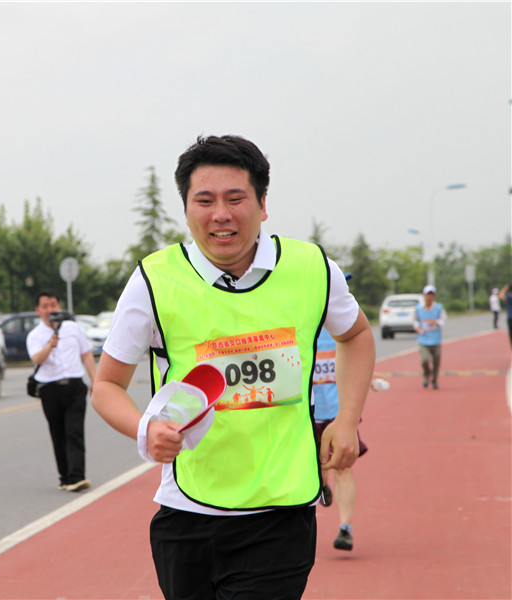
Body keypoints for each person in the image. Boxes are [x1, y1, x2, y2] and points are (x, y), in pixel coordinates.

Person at [92, 135, 375, 600]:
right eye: (204, 201)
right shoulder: (154, 280)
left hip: (281, 512)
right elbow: (106, 385)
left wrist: (347, 420)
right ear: (187, 210)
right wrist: (145, 428)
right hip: (187, 514)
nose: (220, 214)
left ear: (262, 205)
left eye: (235, 198)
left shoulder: (311, 268)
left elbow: (357, 334)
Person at [27, 290, 96, 492]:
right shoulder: (35, 335)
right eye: (45, 306)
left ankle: (77, 476)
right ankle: (65, 477)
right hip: (50, 389)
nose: (50, 310)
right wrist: (51, 344)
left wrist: (96, 381)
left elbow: (86, 354)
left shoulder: (73, 328)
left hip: (74, 386)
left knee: (74, 431)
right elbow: (37, 359)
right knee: (58, 433)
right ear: (38, 310)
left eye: (54, 305)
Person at [313, 321, 372, 553]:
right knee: (318, 467)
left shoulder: (343, 329)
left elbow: (359, 355)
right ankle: (322, 485)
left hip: (339, 416)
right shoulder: (301, 326)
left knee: (343, 469)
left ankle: (345, 528)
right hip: (310, 414)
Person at [414, 285, 446, 390]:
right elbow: (415, 321)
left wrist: (436, 322)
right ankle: (426, 376)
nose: (429, 297)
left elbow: (443, 321)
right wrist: (418, 328)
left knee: (436, 362)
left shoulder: (439, 308)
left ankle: (434, 380)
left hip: (436, 340)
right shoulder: (418, 309)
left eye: (432, 295)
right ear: (424, 296)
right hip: (423, 339)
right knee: (424, 360)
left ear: (434, 296)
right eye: (428, 295)